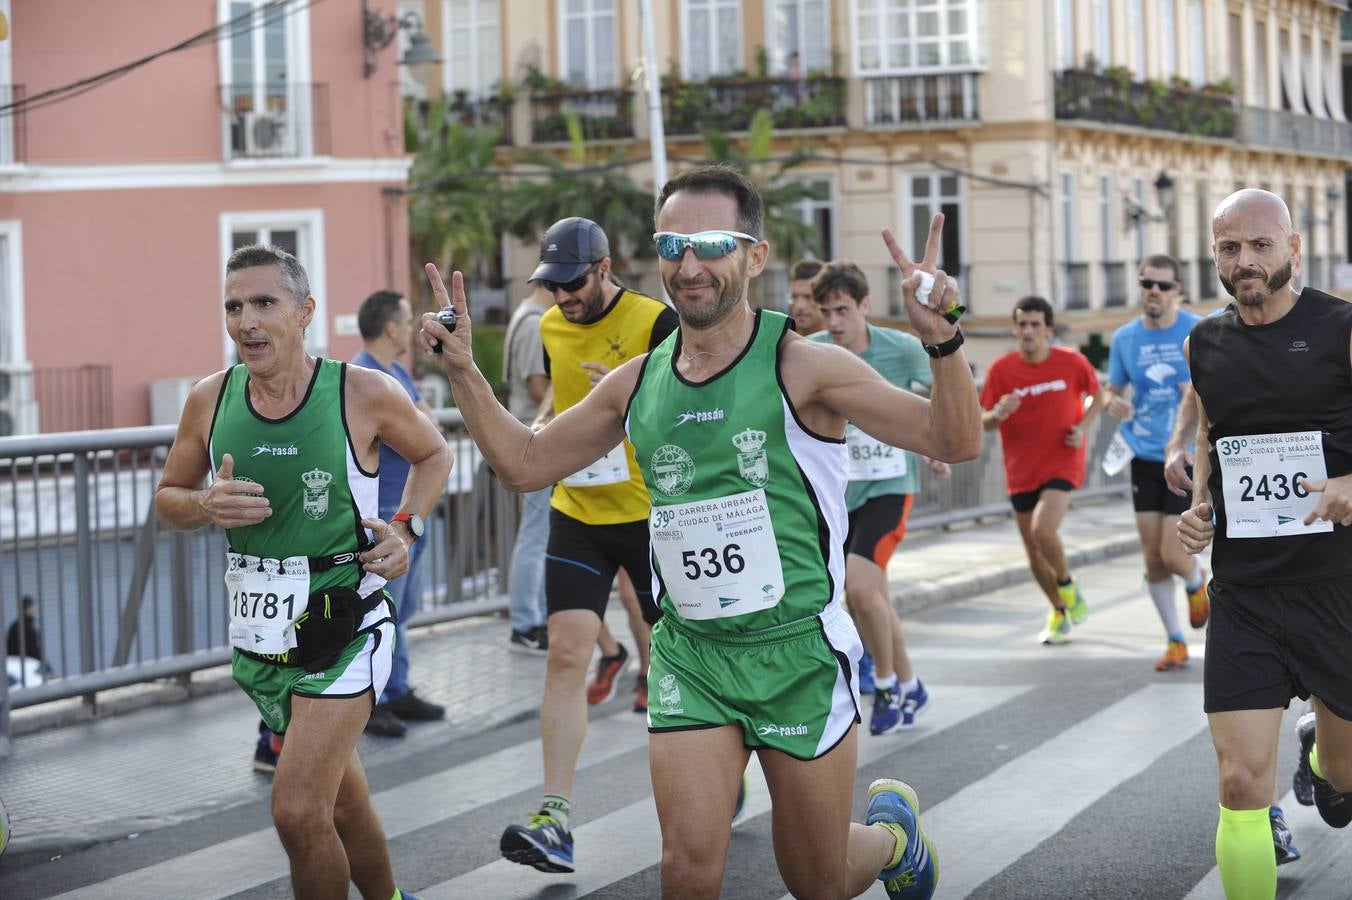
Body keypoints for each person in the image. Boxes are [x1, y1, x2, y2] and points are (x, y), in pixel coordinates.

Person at [421, 164, 979, 898]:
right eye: (672, 245)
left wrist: (943, 341)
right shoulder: (637, 380)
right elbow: (526, 464)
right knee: (686, 869)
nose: (690, 264)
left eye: (712, 243)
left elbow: (953, 438)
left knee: (818, 878)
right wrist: (464, 372)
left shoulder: (804, 366)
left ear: (755, 255)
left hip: (797, 653)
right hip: (691, 653)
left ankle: (891, 839)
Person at [156, 244, 449, 900]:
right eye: (234, 307)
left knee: (295, 808)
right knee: (341, 805)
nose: (247, 321)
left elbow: (435, 454)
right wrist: (204, 504)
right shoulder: (210, 399)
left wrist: (408, 526)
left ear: (306, 311)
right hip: (266, 638)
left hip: (348, 623)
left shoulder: (361, 390)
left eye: (265, 303)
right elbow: (168, 500)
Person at [1177, 188, 1352, 900]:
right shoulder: (1205, 341)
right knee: (1240, 780)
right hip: (1246, 591)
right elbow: (1212, 434)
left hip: (1338, 584)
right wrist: (1198, 504)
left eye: (1259, 245)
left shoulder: (1340, 327)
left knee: (1346, 779)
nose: (1244, 261)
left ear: (1293, 248)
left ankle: (1320, 754)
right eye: (1229, 248)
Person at [495, 216, 680, 873]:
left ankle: (717, 769)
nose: (563, 297)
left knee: (677, 663)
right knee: (567, 653)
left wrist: (628, 396)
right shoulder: (548, 326)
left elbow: (688, 411)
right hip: (578, 509)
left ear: (603, 269)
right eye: (553, 285)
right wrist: (537, 432)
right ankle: (555, 817)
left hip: (650, 516)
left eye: (573, 283)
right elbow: (563, 407)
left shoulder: (655, 322)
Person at [809, 259, 948, 734]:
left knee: (861, 588)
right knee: (877, 600)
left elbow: (950, 395)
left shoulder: (901, 349)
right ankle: (913, 686)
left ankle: (886, 684)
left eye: (842, 310)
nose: (834, 323)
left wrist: (937, 443)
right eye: (825, 312)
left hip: (890, 488)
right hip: (837, 499)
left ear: (865, 304)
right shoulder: (813, 354)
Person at [1104, 255, 1210, 672]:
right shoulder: (1125, 338)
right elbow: (1112, 389)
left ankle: (1196, 580)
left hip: (1184, 456)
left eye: (1163, 286)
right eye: (1147, 283)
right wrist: (1112, 402)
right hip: (1143, 453)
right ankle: (1175, 640)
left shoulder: (1197, 329)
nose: (1154, 291)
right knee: (1151, 558)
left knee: (1173, 552)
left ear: (1177, 291)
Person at [980, 296, 1104, 645]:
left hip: (1062, 460)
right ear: (1014, 328)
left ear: (1048, 329)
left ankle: (1066, 585)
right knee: (1033, 553)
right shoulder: (1001, 370)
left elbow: (1098, 395)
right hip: (1020, 469)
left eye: (1035, 324)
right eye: (1022, 324)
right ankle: (1060, 611)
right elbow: (984, 421)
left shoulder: (1071, 362)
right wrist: (997, 414)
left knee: (1042, 530)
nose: (1028, 330)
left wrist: (1082, 427)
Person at [352, 290, 447, 736]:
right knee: (381, 607)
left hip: (408, 504)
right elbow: (418, 428)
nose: (410, 328)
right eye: (407, 321)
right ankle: (372, 699)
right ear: (391, 328)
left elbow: (425, 426)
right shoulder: (365, 377)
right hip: (384, 509)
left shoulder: (395, 372)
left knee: (402, 608)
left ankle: (397, 689)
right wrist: (418, 422)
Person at [503, 283, 553, 654]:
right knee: (536, 535)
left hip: (527, 438)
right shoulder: (535, 323)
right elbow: (539, 386)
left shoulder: (524, 317)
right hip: (535, 439)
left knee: (537, 534)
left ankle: (532, 618)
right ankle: (526, 622)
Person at [787, 258, 824, 336]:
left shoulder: (841, 343)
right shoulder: (779, 341)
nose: (799, 306)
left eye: (808, 297)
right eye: (794, 296)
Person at [6, 595, 44, 667]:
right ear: (29, 609)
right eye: (33, 607)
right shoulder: (30, 627)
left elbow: (8, 648)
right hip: (30, 664)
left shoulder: (13, 626)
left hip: (14, 664)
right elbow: (34, 649)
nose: (35, 610)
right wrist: (46, 667)